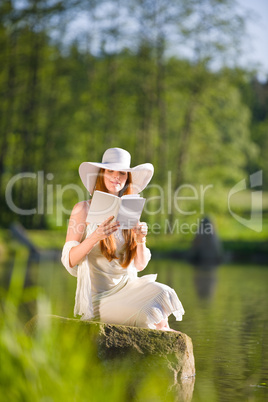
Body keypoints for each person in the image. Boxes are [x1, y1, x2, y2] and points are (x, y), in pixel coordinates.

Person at [61, 147, 184, 331]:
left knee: (164, 292)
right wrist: (95, 236)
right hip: (100, 298)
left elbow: (140, 265)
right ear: (102, 174)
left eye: (122, 173)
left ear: (127, 178)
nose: (116, 177)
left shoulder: (129, 209)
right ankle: (164, 333)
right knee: (147, 316)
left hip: (128, 288)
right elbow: (69, 260)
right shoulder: (82, 209)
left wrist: (141, 239)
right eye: (110, 171)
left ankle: (165, 334)